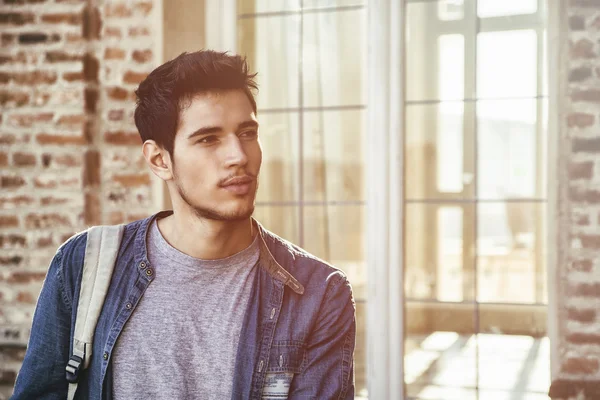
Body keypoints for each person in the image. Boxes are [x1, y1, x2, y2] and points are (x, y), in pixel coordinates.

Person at [12, 50, 356, 399]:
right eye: (209, 139)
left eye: (247, 133)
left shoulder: (318, 294)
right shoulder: (85, 263)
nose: (238, 156)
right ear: (160, 160)